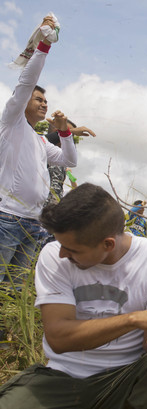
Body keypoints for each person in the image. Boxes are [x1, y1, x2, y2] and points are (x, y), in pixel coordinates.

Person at [0, 183, 147, 409]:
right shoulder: (53, 256)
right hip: (62, 378)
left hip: (125, 379)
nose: (62, 254)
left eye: (71, 249)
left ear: (108, 244)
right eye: (60, 244)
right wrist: (134, 319)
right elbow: (58, 338)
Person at [0, 16, 77, 282]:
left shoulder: (41, 141)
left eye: (46, 100)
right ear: (23, 103)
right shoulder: (12, 123)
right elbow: (25, 83)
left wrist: (64, 131)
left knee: (16, 289)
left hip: (34, 223)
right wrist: (44, 46)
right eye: (39, 99)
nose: (44, 104)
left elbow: (70, 160)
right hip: (7, 218)